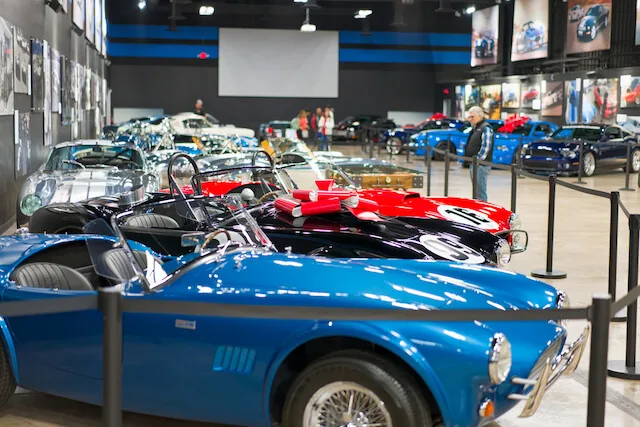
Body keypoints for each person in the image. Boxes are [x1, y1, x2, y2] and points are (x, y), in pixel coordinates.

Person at [464, 106, 493, 202]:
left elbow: (486, 146)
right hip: (474, 163)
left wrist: (478, 160)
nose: (470, 119)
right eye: (469, 117)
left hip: (480, 165)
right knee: (476, 191)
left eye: (472, 117)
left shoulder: (486, 128)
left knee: (480, 192)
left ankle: (483, 211)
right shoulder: (475, 128)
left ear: (480, 116)